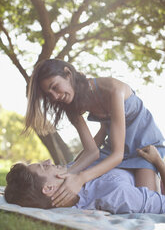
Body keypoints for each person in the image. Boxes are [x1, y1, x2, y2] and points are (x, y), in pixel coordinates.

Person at [24, 58, 165, 207]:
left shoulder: (113, 90)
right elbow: (92, 151)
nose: (54, 96)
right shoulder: (69, 103)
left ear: (68, 74)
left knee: (147, 205)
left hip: (144, 148)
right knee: (75, 171)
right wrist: (68, 174)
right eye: (49, 94)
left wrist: (81, 178)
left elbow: (118, 155)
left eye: (54, 87)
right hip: (113, 147)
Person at [4, 146, 165, 213]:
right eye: (44, 167)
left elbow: (93, 149)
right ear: (49, 188)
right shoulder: (114, 194)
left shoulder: (69, 173)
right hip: (148, 168)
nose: (48, 161)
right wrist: (158, 162)